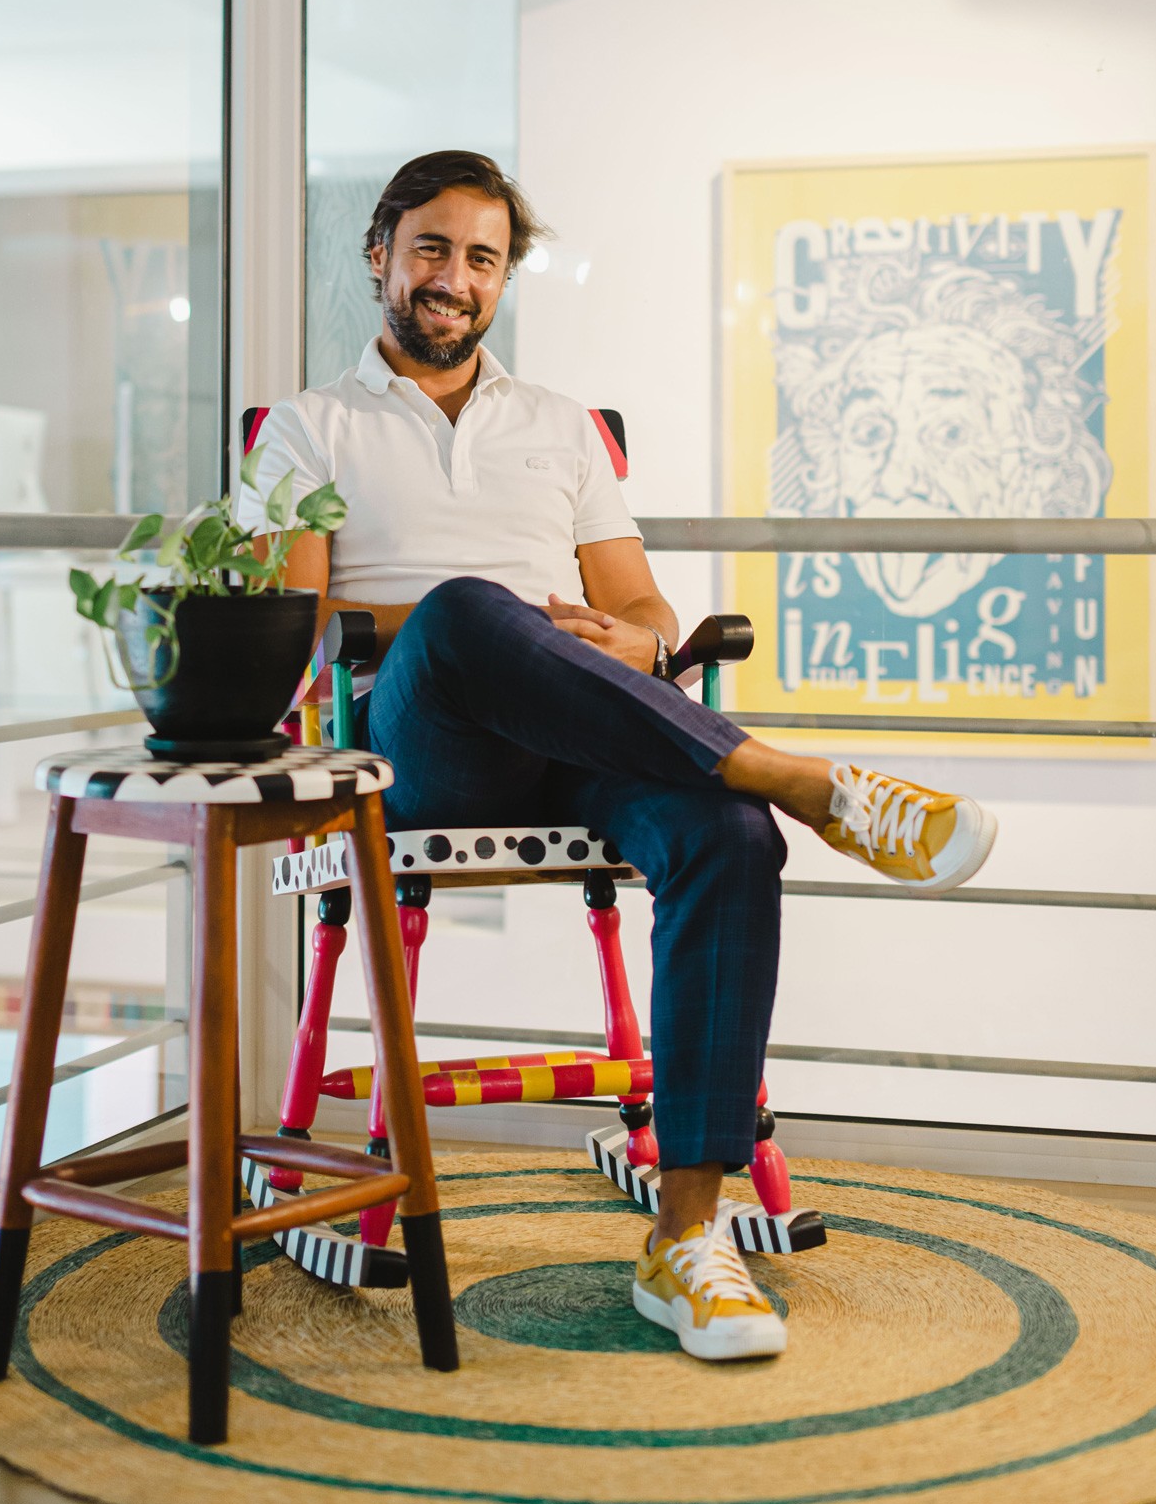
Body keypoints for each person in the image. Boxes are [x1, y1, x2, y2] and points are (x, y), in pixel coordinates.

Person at [242, 150, 997, 1365]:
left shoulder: (561, 427)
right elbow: (296, 633)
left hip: (580, 725)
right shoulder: (306, 427)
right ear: (379, 253)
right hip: (416, 745)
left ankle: (688, 1240)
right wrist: (493, 623)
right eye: (430, 248)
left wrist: (627, 640)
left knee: (723, 836)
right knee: (469, 612)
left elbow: (646, 612)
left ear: (503, 280)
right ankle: (810, 782)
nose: (453, 277)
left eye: (480, 258)